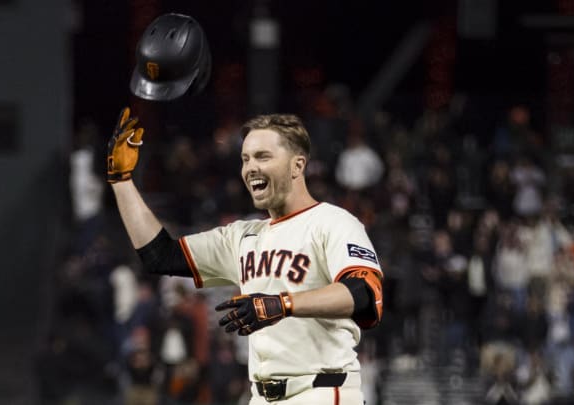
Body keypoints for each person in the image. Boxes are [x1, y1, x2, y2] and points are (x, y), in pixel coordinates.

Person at [107, 107, 384, 404]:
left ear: (297, 166)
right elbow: (160, 256)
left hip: (323, 391)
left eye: (263, 156)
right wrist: (122, 182)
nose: (250, 167)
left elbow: (366, 294)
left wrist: (284, 304)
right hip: (261, 396)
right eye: (245, 158)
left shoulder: (333, 222)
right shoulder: (242, 236)